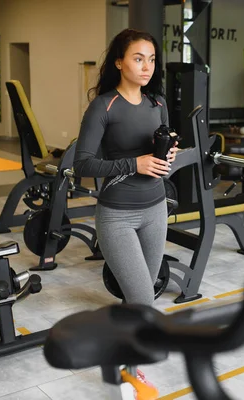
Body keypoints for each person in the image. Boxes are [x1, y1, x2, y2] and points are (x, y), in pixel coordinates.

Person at [73, 28, 178, 308]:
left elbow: (161, 161)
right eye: (139, 59)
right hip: (118, 217)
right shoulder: (103, 107)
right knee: (143, 298)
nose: (147, 67)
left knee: (139, 296)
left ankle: (126, 346)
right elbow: (81, 164)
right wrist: (135, 164)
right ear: (119, 62)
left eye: (152, 60)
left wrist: (167, 156)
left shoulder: (158, 104)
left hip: (156, 210)